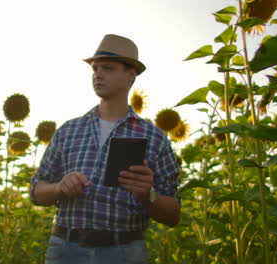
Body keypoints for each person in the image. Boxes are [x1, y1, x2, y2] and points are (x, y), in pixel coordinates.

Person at [29, 34, 181, 264]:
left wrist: (146, 194)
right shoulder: (69, 130)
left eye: (107, 68)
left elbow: (173, 215)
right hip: (66, 250)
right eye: (95, 69)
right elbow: (36, 191)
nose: (98, 74)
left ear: (130, 76)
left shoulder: (154, 138)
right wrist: (60, 187)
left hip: (124, 252)